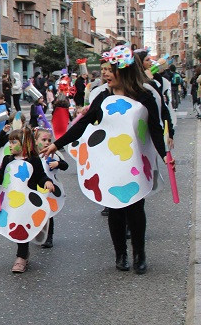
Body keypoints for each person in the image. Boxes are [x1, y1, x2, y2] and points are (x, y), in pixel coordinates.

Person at [42, 45, 171, 274]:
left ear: (124, 70)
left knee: (135, 208)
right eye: (105, 70)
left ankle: (139, 254)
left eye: (111, 70)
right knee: (115, 209)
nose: (105, 74)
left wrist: (165, 156)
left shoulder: (145, 96)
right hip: (109, 162)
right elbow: (82, 125)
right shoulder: (102, 96)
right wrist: (56, 144)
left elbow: (154, 129)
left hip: (135, 163)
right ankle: (120, 254)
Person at [0, 127, 55, 273]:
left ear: (24, 144)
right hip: (12, 200)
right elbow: (2, 179)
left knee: (23, 225)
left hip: (28, 200)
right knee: (16, 225)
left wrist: (47, 181)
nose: (9, 145)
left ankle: (21, 257)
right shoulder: (7, 159)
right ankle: (23, 253)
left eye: (13, 142)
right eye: (9, 142)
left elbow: (40, 176)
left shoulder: (33, 160)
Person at [33, 128, 68, 249]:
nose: (47, 142)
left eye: (49, 140)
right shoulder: (33, 155)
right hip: (36, 188)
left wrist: (58, 164)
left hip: (50, 189)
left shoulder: (54, 154)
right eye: (44, 139)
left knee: (49, 213)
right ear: (36, 141)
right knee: (36, 211)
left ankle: (49, 237)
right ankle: (38, 232)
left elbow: (65, 165)